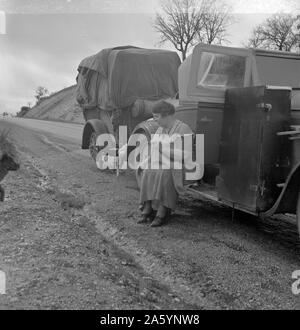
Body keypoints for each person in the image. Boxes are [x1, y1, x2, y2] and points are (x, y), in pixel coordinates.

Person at [136, 100, 196, 227]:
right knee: (147, 170)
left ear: (167, 115)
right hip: (163, 162)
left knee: (165, 173)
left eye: (157, 116)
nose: (155, 120)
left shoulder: (183, 129)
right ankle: (147, 208)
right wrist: (145, 162)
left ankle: (163, 212)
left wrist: (164, 150)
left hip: (181, 165)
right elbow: (154, 149)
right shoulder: (160, 129)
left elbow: (186, 155)